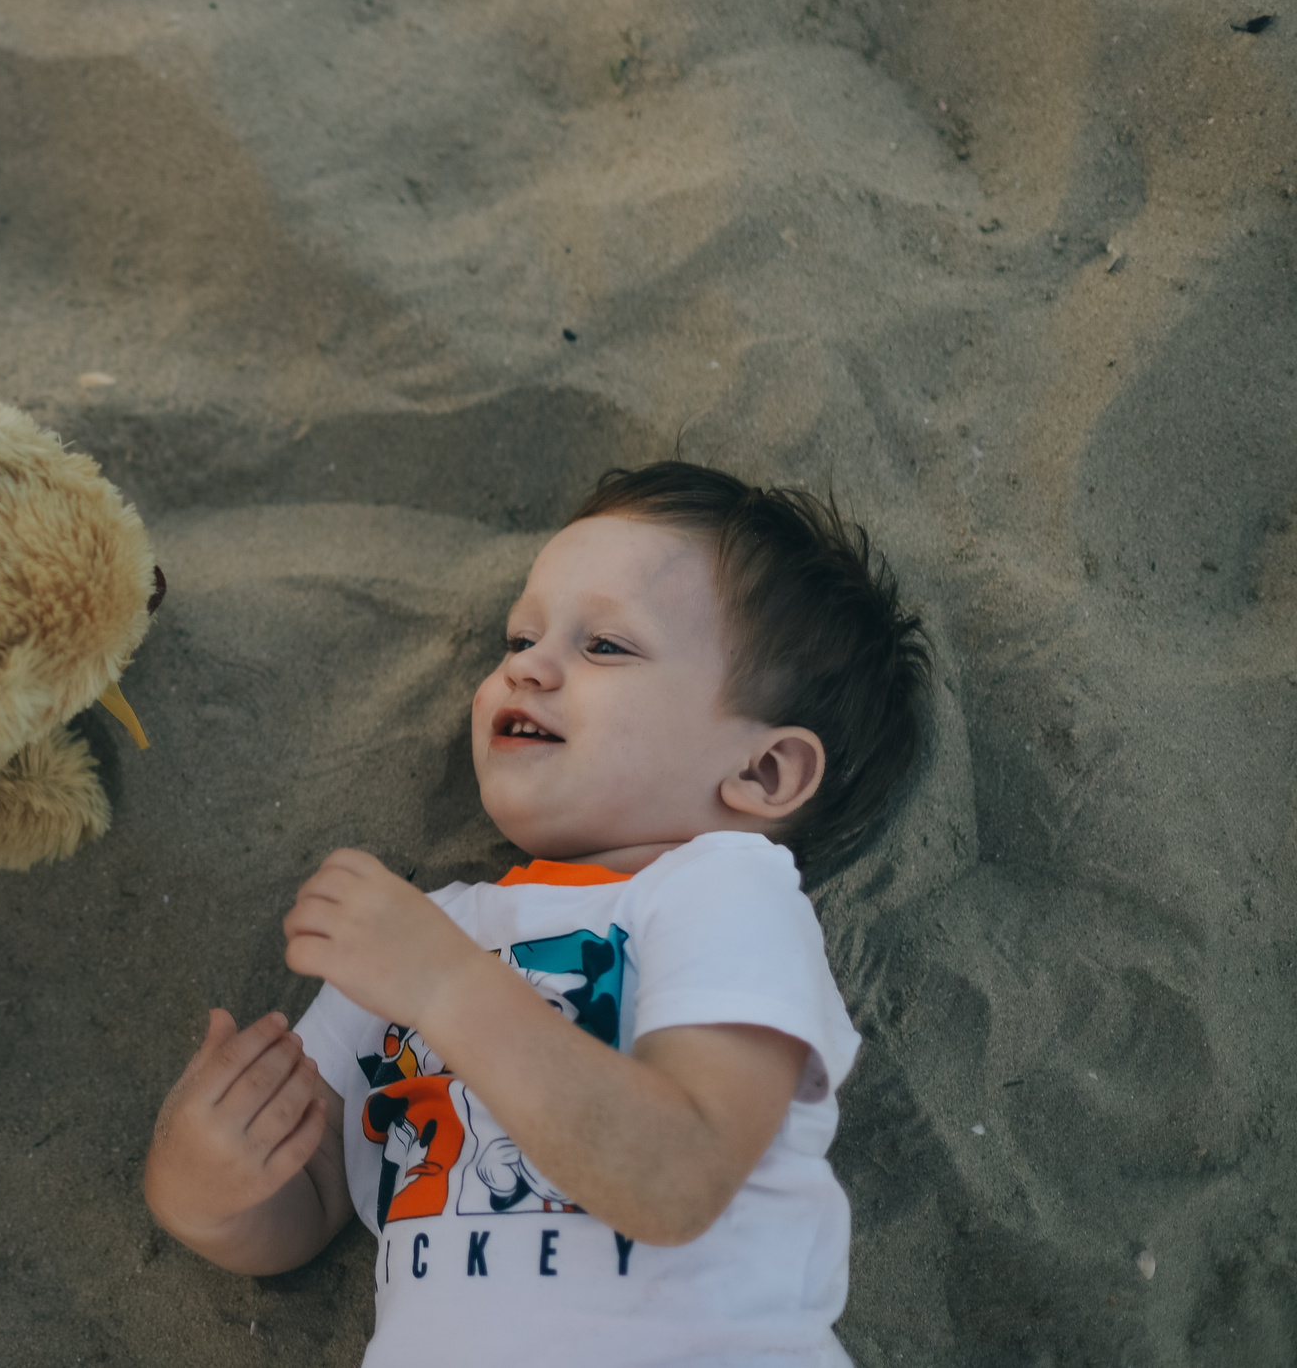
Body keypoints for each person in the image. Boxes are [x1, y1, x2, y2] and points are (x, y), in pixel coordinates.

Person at [142, 465, 931, 1366]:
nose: (526, 662)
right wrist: (205, 1184)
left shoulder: (725, 891)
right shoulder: (428, 925)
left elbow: (676, 1178)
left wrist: (444, 983)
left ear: (762, 773)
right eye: (520, 633)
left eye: (606, 646)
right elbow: (315, 1191)